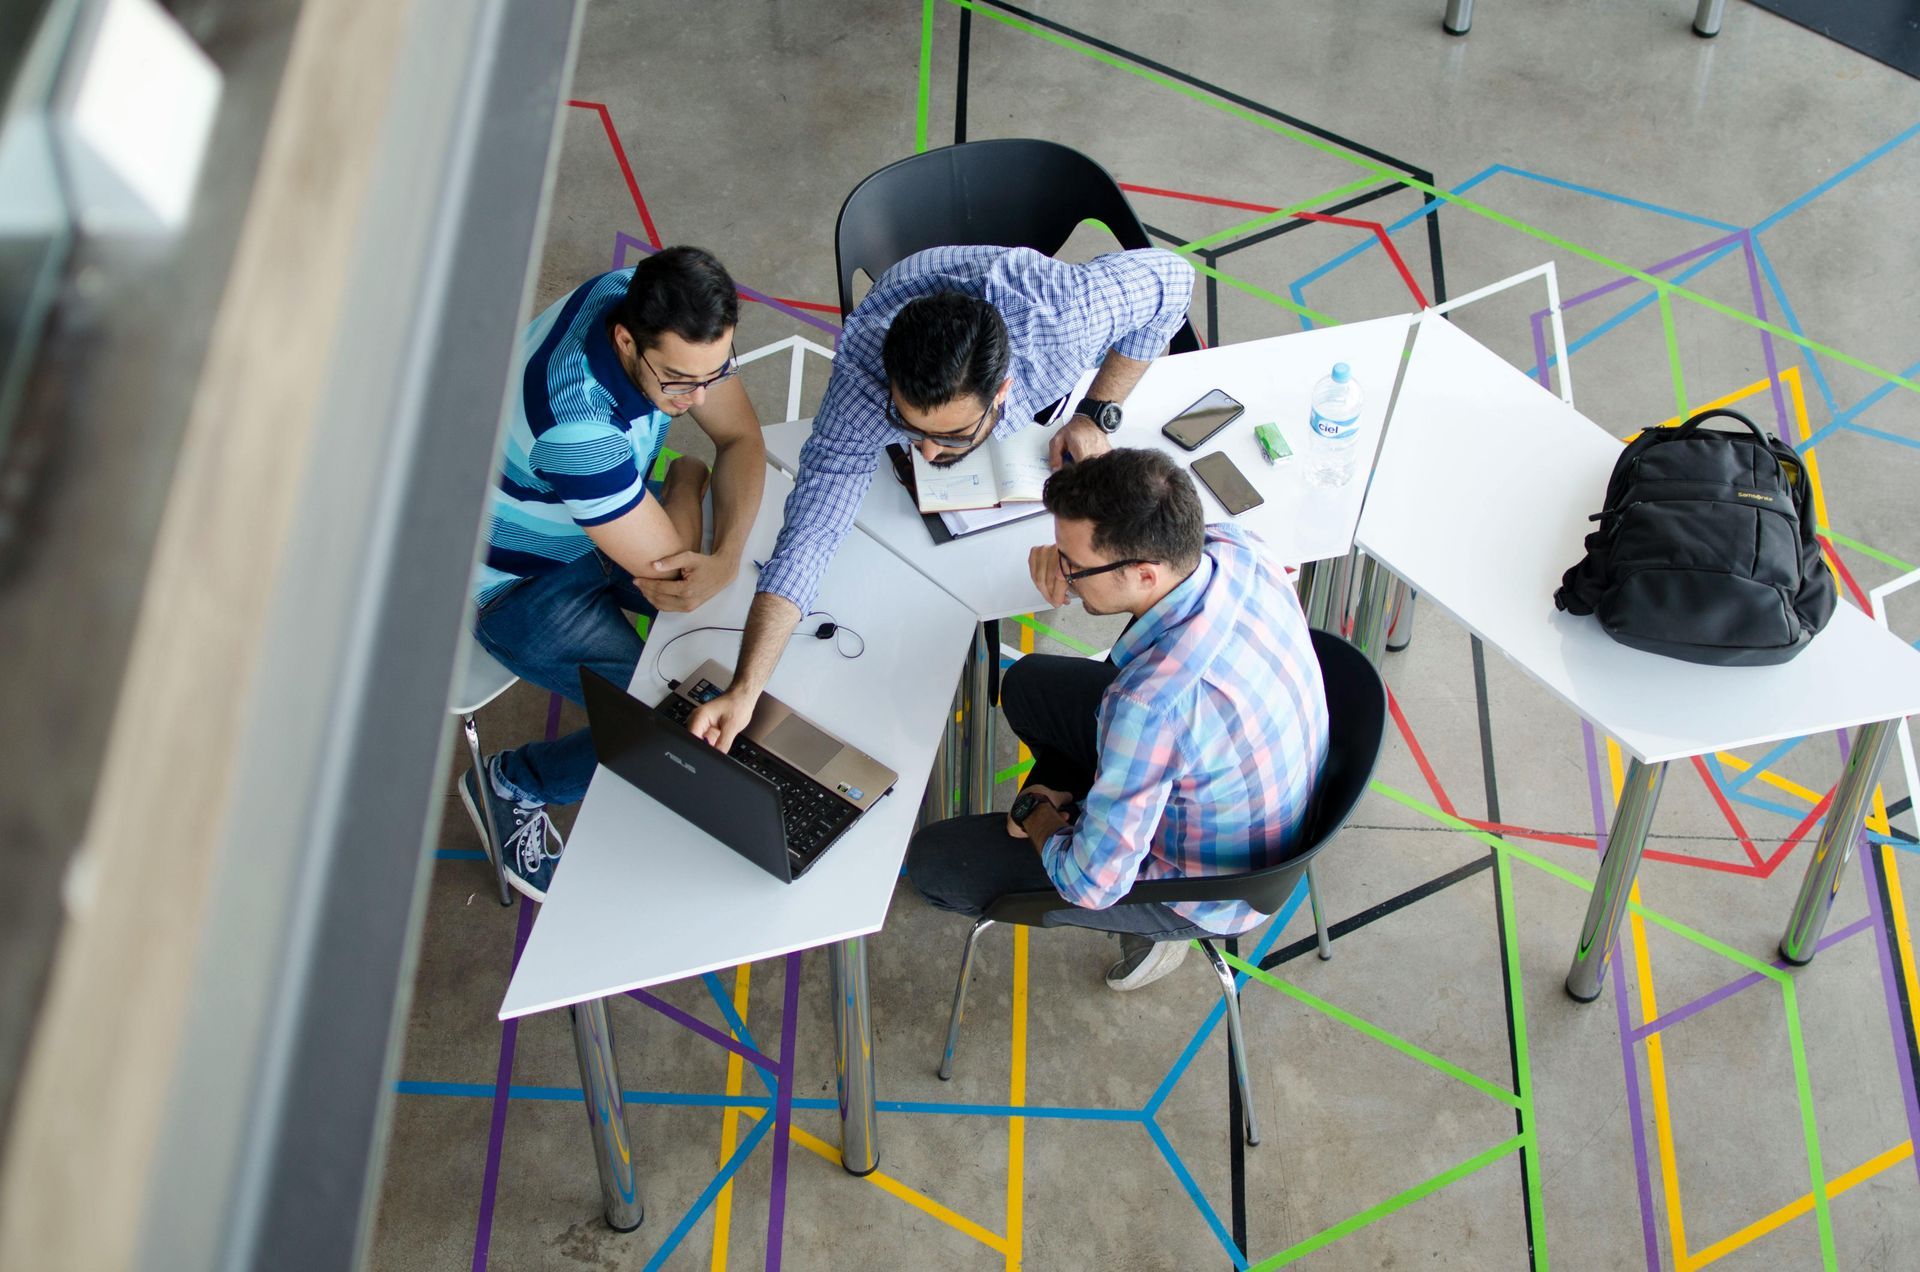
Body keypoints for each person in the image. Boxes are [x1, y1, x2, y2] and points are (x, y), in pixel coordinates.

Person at [685, 244, 1195, 752]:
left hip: (1026, 301)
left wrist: (1096, 410)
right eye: (908, 427)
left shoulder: (1064, 319)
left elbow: (1174, 280)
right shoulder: (864, 374)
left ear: (1002, 392)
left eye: (951, 437)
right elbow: (809, 535)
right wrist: (746, 688)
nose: (927, 453)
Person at [905, 449, 1330, 990]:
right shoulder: (1236, 548)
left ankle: (1153, 932)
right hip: (1261, 793)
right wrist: (1065, 556)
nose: (1063, 573)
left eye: (1073, 566)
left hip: (1206, 887)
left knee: (936, 862)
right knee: (1029, 685)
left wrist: (1037, 810)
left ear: (1144, 573)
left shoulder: (1149, 706)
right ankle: (1097, 808)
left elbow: (1090, 883)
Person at [460, 246, 766, 900]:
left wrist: (728, 554)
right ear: (626, 341)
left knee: (729, 619)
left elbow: (741, 439)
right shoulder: (578, 428)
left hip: (596, 518)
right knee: (661, 725)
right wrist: (687, 480)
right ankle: (515, 783)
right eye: (681, 382)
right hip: (516, 584)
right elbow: (681, 579)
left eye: (717, 373)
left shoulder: (647, 300)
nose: (700, 397)